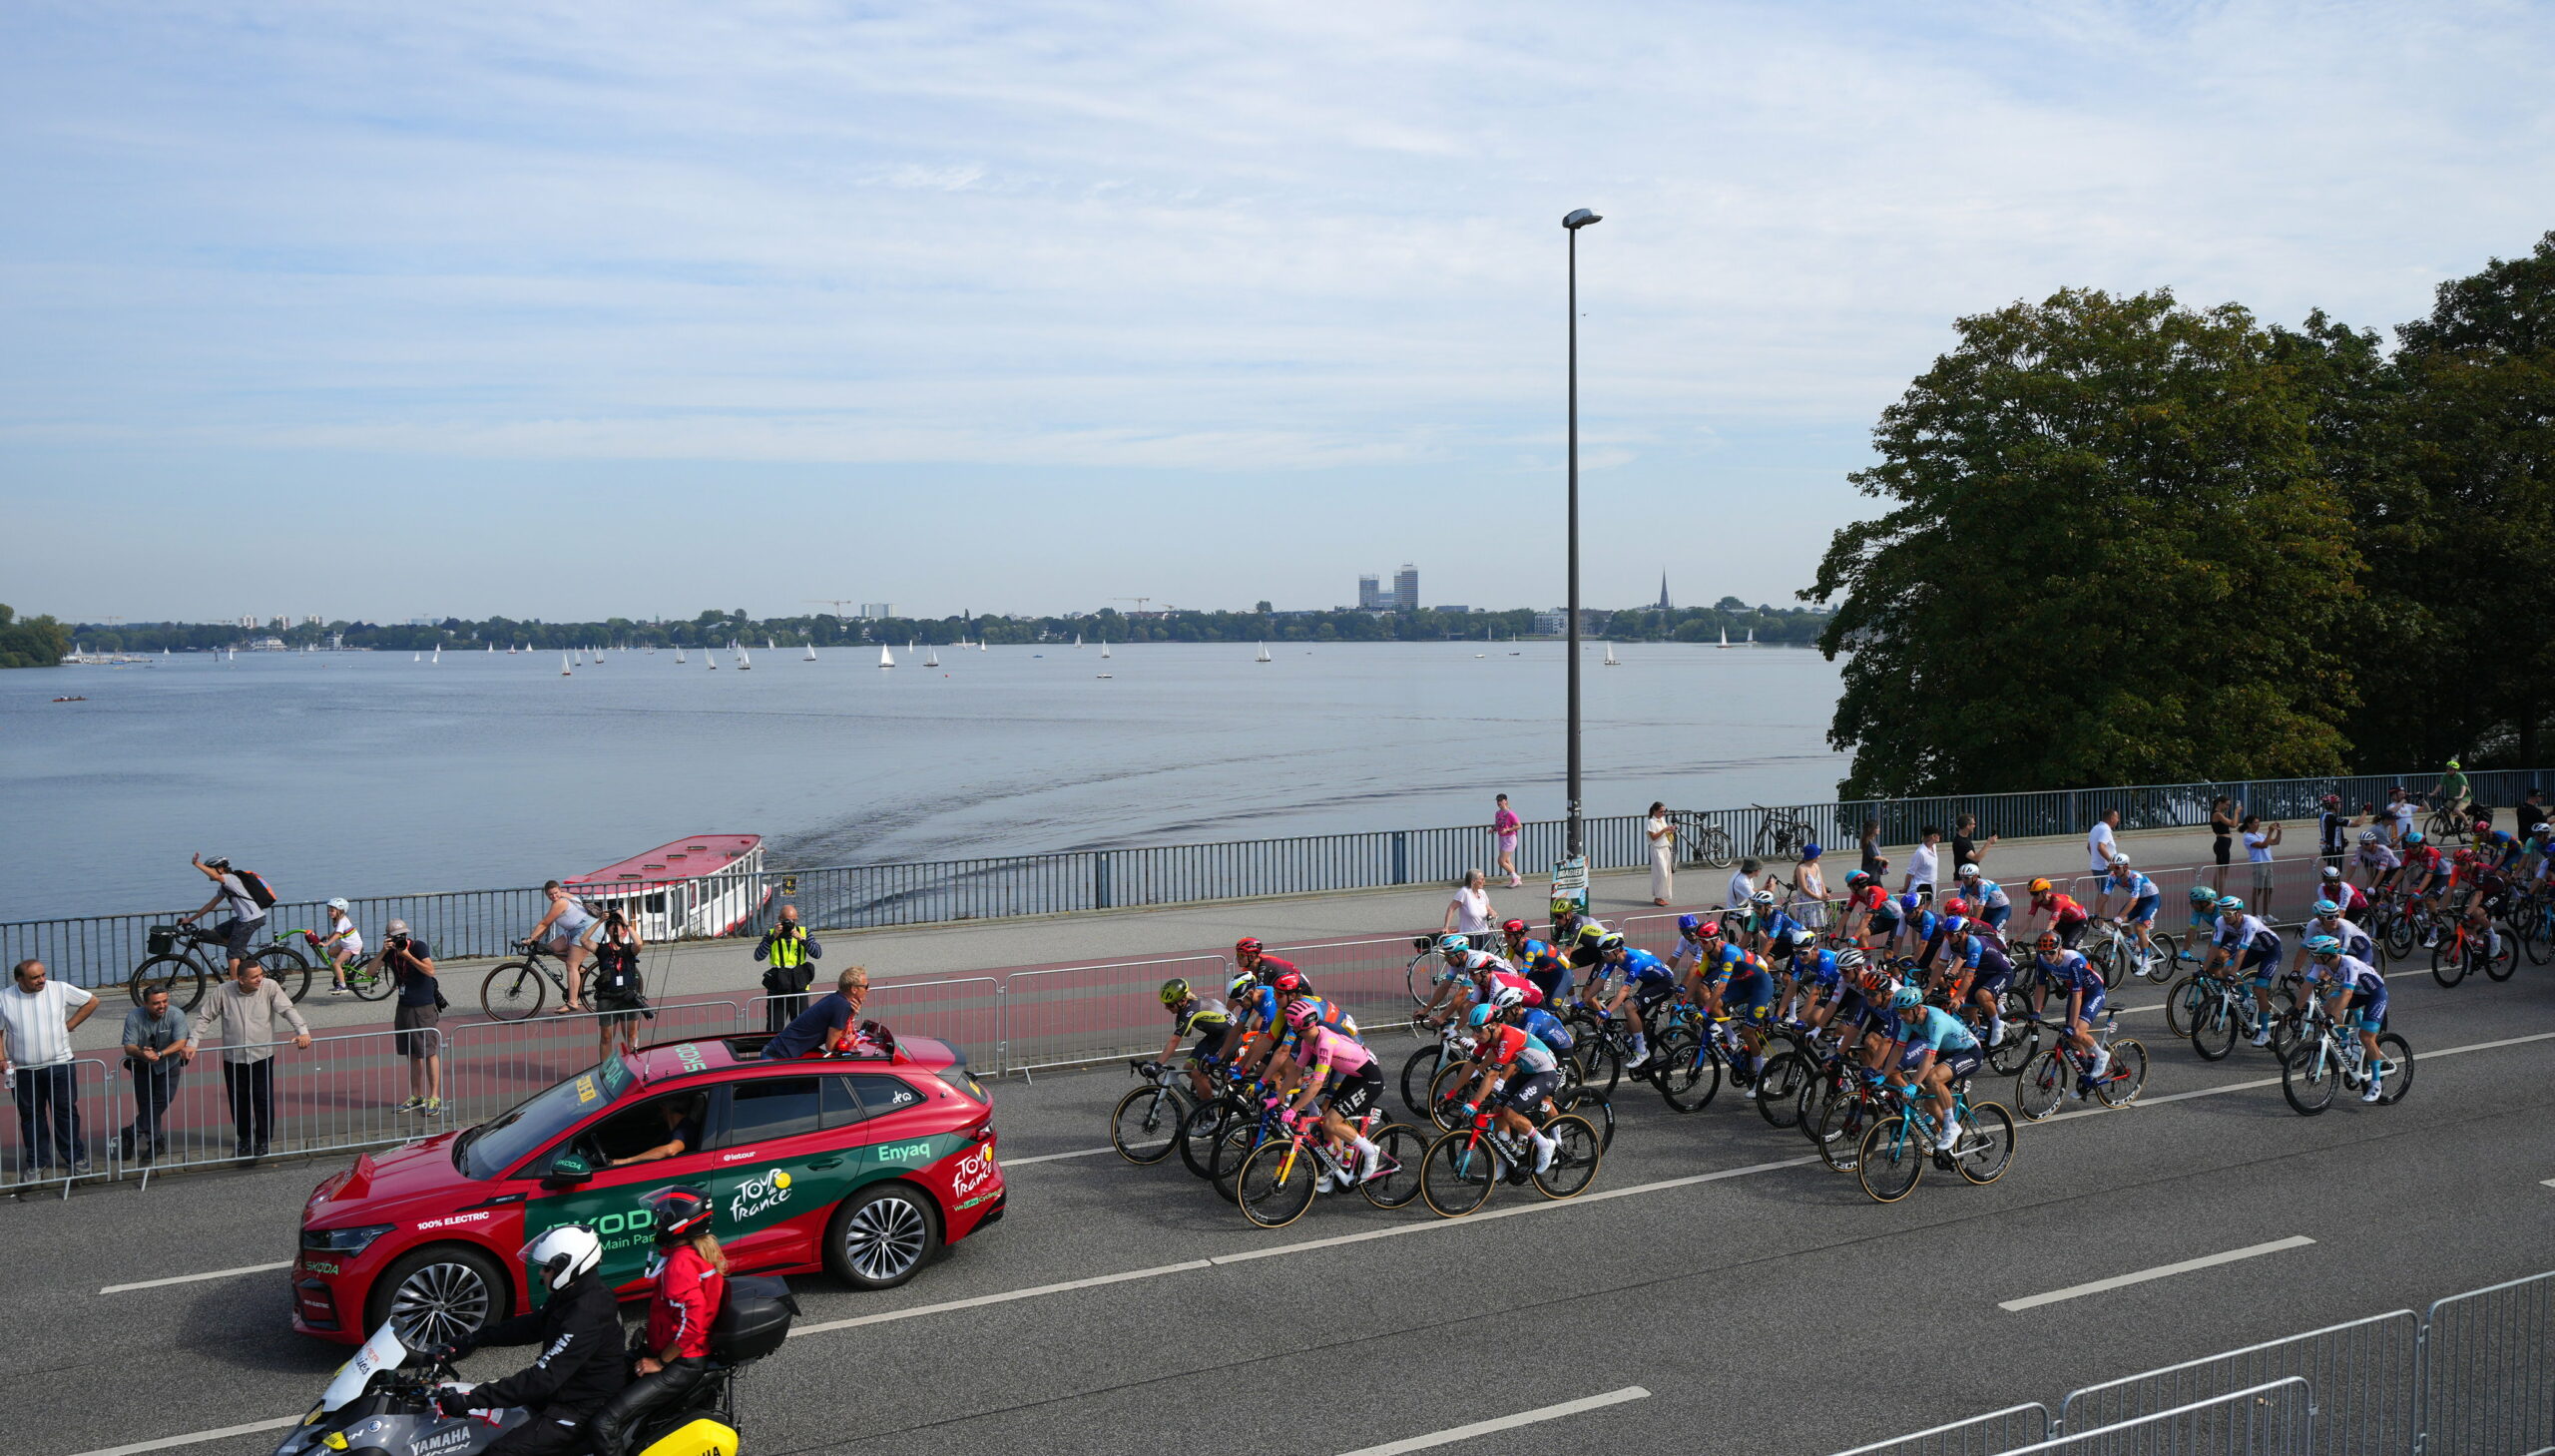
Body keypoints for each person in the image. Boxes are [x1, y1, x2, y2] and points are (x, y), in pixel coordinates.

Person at [432, 1224, 627, 1456]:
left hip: (581, 1407)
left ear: (568, 1267)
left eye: (546, 1268)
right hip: (563, 1392)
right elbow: (530, 1326)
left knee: (498, 1452)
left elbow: (542, 1379)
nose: (541, 1273)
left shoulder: (586, 1313)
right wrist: (470, 1341)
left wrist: (470, 1400)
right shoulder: (572, 1295)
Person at [588, 1190, 728, 1456]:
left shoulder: (680, 1265)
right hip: (677, 1352)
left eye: (661, 1218)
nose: (655, 1224)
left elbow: (693, 1323)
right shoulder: (697, 1252)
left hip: (681, 1361)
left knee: (604, 1424)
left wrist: (660, 1361)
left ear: (678, 1224)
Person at [189, 955, 310, 1160]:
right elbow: (205, 1017)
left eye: (261, 975)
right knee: (239, 1100)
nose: (260, 979)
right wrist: (193, 1042)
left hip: (262, 1054)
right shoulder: (223, 991)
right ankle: (244, 1138)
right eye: (254, 977)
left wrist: (302, 1031)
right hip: (234, 1056)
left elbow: (287, 1009)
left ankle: (263, 1140)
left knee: (263, 1098)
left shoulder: (270, 986)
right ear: (240, 979)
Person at [1, 959, 99, 1178]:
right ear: (19, 979)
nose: (42, 980)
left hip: (60, 1065)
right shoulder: (4, 998)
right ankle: (36, 1162)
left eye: (43, 975)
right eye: (35, 977)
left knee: (65, 1112)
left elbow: (92, 1001)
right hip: (24, 1069)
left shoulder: (59, 988)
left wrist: (69, 1026)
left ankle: (75, 1157)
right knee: (30, 1116)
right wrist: (1, 1059)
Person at [119, 981, 189, 1163]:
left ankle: (131, 1133)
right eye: (156, 1003)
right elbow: (129, 1046)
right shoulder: (134, 1017)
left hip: (168, 1063)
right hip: (141, 1065)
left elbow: (181, 1042)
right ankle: (155, 1142)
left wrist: (159, 1054)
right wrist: (141, 1052)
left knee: (163, 1099)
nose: (162, 1006)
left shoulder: (176, 1015)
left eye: (165, 1001)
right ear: (146, 1004)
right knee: (146, 1106)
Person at [378, 920, 442, 1115]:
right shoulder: (390, 953)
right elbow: (369, 972)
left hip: (423, 1007)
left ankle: (435, 1097)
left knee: (429, 1052)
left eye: (402, 936)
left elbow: (430, 971)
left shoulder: (417, 947)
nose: (400, 940)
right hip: (403, 1007)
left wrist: (408, 956)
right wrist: (383, 953)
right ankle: (416, 1096)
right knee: (412, 1053)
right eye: (396, 937)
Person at [176, 852, 266, 986]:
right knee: (216, 934)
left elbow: (215, 876)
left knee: (232, 955)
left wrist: (196, 864)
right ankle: (241, 959)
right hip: (243, 919)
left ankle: (235, 988)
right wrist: (190, 919)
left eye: (210, 869)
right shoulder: (224, 887)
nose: (208, 873)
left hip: (251, 919)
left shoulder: (230, 879)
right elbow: (210, 905)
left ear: (220, 869)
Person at [523, 880, 600, 1014]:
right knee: (550, 949)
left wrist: (530, 939)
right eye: (550, 895)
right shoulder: (563, 897)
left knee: (571, 964)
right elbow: (546, 924)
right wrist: (536, 938)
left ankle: (572, 1003)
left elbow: (544, 923)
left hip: (586, 930)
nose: (554, 896)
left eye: (556, 893)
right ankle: (579, 970)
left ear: (560, 890)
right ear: (546, 895)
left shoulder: (560, 902)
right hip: (573, 931)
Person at [761, 967, 870, 1059]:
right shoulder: (842, 1005)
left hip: (776, 1052)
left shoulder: (837, 999)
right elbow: (831, 1046)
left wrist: (850, 1016)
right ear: (854, 989)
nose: (868, 990)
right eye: (866, 986)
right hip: (778, 1056)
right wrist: (849, 1039)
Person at [1154, 979, 1233, 1097]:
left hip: (1230, 1036)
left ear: (1183, 1000)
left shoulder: (1190, 1010)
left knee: (1196, 1073)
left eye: (1170, 1004)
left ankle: (1207, 1110)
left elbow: (1175, 1040)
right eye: (1165, 1004)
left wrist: (1157, 1065)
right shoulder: (1186, 1007)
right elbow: (1188, 1033)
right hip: (1215, 1035)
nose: (1166, 1008)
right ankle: (1211, 1091)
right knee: (1188, 1068)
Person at [589, 909, 649, 1062]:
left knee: (631, 1034)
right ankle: (604, 1068)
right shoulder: (602, 949)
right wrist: (600, 921)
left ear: (624, 931)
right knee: (606, 1036)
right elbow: (584, 940)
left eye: (618, 926)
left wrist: (625, 922)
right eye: (612, 926)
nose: (615, 928)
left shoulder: (629, 949)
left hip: (628, 996)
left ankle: (633, 1065)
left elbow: (639, 943)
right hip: (607, 998)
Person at [753, 904, 822, 1034]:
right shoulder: (771, 934)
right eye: (787, 920)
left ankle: (799, 1051)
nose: (791, 923)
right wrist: (772, 938)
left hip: (799, 986)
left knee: (802, 1027)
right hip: (778, 986)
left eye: (794, 920)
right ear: (780, 919)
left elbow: (817, 954)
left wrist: (802, 939)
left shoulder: (804, 932)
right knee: (774, 1029)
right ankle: (774, 1052)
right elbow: (758, 956)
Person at [611, 1095, 707, 1167]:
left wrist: (626, 1161)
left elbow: (670, 1150)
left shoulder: (685, 1129)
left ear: (664, 1108)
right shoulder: (673, 1128)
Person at [317, 898, 365, 996]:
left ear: (340, 911)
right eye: (329, 910)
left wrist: (326, 944)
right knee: (331, 952)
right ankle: (346, 966)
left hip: (352, 945)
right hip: (347, 944)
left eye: (332, 910)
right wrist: (328, 936)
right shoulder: (341, 919)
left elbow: (338, 934)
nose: (329, 912)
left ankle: (343, 986)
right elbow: (336, 932)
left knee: (336, 964)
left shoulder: (343, 920)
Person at [2241, 813, 2284, 917]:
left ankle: (2265, 914)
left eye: (2258, 822)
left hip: (2268, 862)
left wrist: (2279, 832)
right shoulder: (2248, 837)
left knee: (2269, 889)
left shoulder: (2260, 835)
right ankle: (2254, 915)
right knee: (2258, 889)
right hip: (2259, 863)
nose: (2258, 824)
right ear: (2249, 824)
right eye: (2255, 822)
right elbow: (2263, 845)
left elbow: (2276, 842)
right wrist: (2270, 831)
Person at [1443, 869, 1494, 936]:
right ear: (1473, 881)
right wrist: (1446, 927)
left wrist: (1492, 912)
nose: (1484, 882)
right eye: (1482, 879)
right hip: (1469, 934)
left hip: (1484, 932)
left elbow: (1488, 907)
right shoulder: (1464, 892)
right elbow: (1451, 908)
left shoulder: (1482, 892)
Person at [1793, 843, 1829, 929]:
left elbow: (1821, 882)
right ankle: (1808, 942)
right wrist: (1819, 897)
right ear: (1814, 856)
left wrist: (1824, 894)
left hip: (1817, 901)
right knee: (1805, 927)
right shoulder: (1801, 868)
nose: (1819, 856)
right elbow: (1804, 888)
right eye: (1818, 854)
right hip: (1807, 902)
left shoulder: (1816, 866)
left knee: (1816, 927)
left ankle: (1814, 942)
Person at [1646, 803, 1675, 905]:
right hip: (1657, 849)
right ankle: (1658, 897)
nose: (1663, 813)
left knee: (1667, 874)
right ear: (1654, 811)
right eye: (1661, 811)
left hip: (1665, 848)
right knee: (1661, 873)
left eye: (1664, 811)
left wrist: (1670, 831)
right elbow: (1653, 837)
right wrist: (1664, 830)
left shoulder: (1662, 820)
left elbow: (1665, 834)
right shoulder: (1651, 822)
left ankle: (1661, 896)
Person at [1491, 793, 1523, 888]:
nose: (1499, 802)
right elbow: (1499, 825)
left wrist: (1508, 830)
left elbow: (1519, 826)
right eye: (1497, 801)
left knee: (1501, 861)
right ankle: (1516, 879)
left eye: (1501, 800)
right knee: (1507, 861)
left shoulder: (1510, 813)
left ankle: (1515, 878)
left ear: (1506, 801)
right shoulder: (1497, 813)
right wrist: (1493, 829)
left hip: (1510, 839)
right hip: (1501, 838)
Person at [1903, 825, 1941, 903]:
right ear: (1933, 836)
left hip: (1931, 884)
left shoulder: (1934, 847)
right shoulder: (1920, 853)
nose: (1940, 836)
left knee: (1928, 911)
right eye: (1938, 834)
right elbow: (1910, 872)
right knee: (1922, 911)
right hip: (1921, 886)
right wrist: (1905, 888)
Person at [2316, 794, 2350, 874]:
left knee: (2332, 872)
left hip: (2328, 847)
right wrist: (2365, 811)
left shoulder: (2324, 816)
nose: (2340, 806)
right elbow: (2357, 824)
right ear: (2333, 805)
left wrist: (2342, 840)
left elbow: (2331, 831)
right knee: (2335, 873)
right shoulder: (2332, 818)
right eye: (2338, 804)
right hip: (2334, 849)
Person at [2209, 797, 2237, 892]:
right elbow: (2233, 824)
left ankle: (2216, 893)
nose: (2228, 807)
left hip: (2223, 843)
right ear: (2220, 803)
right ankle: (2220, 895)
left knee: (2221, 870)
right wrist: (2236, 812)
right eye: (2227, 804)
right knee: (2223, 871)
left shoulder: (2219, 814)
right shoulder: (2217, 814)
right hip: (2222, 843)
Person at [2086, 808, 2121, 876]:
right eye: (2117, 818)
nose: (2118, 820)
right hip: (2104, 869)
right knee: (2106, 887)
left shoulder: (2095, 828)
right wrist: (2112, 862)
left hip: (2097, 867)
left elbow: (2088, 847)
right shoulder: (2106, 830)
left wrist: (2096, 859)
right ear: (2112, 818)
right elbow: (2100, 847)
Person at [2437, 758, 2471, 826]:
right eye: (2447, 769)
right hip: (2453, 798)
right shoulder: (2445, 776)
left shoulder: (2460, 776)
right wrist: (2433, 793)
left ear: (2455, 770)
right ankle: (2446, 828)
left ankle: (2467, 823)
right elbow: (2440, 786)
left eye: (2450, 769)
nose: (2448, 771)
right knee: (2444, 812)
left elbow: (2463, 787)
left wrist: (2461, 796)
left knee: (2457, 810)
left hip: (2464, 798)